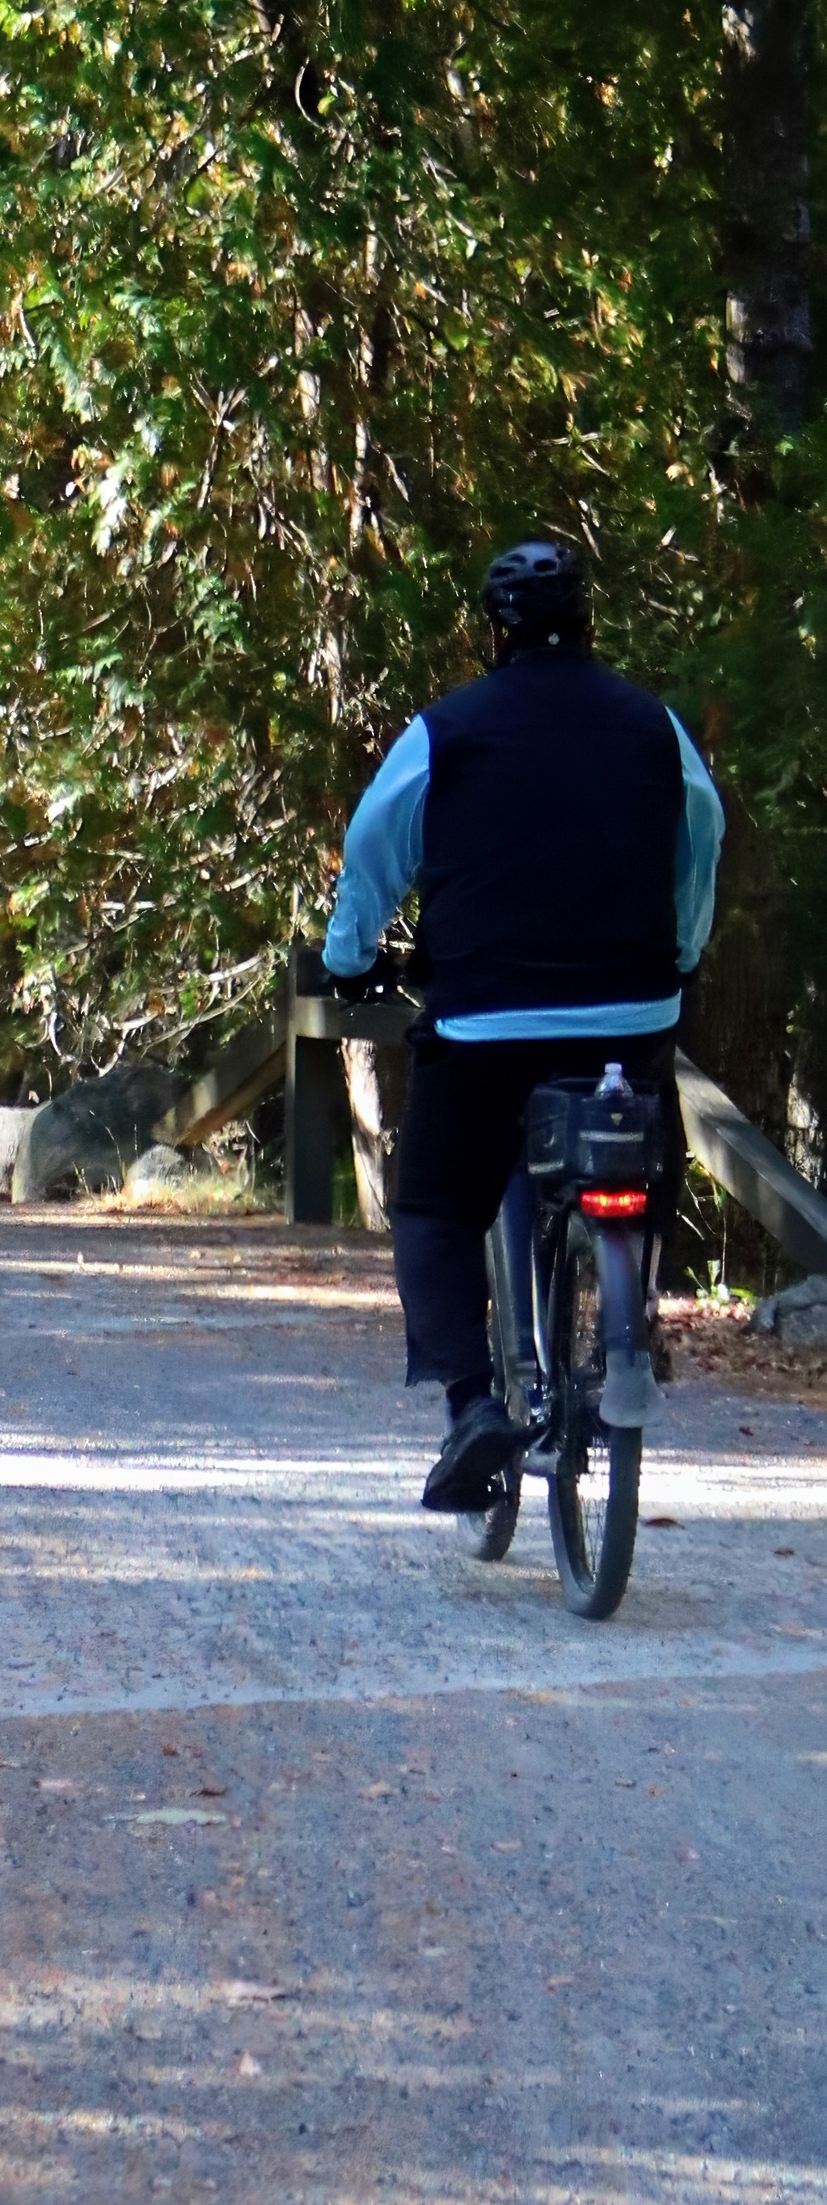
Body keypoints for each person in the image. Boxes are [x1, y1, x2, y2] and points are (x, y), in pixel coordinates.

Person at [321, 537, 723, 1513]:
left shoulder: (445, 732)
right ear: (589, 625)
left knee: (433, 1208)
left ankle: (471, 1405)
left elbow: (375, 844)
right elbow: (700, 835)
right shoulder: (654, 728)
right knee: (643, 1157)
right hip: (628, 1016)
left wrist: (349, 958)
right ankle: (629, 1333)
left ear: (492, 632)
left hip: (486, 1023)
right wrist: (681, 948)